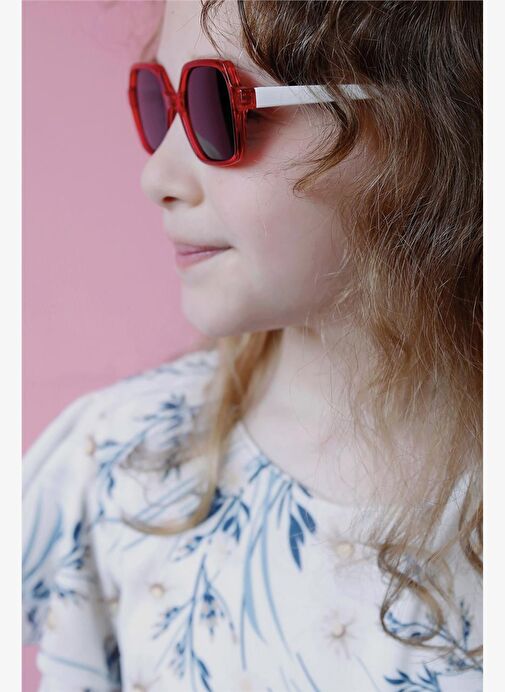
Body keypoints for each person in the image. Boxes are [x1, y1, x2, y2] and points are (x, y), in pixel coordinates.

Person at [22, 1, 483, 690]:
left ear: (424, 126)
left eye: (214, 104)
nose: (157, 177)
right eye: (158, 103)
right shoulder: (123, 468)